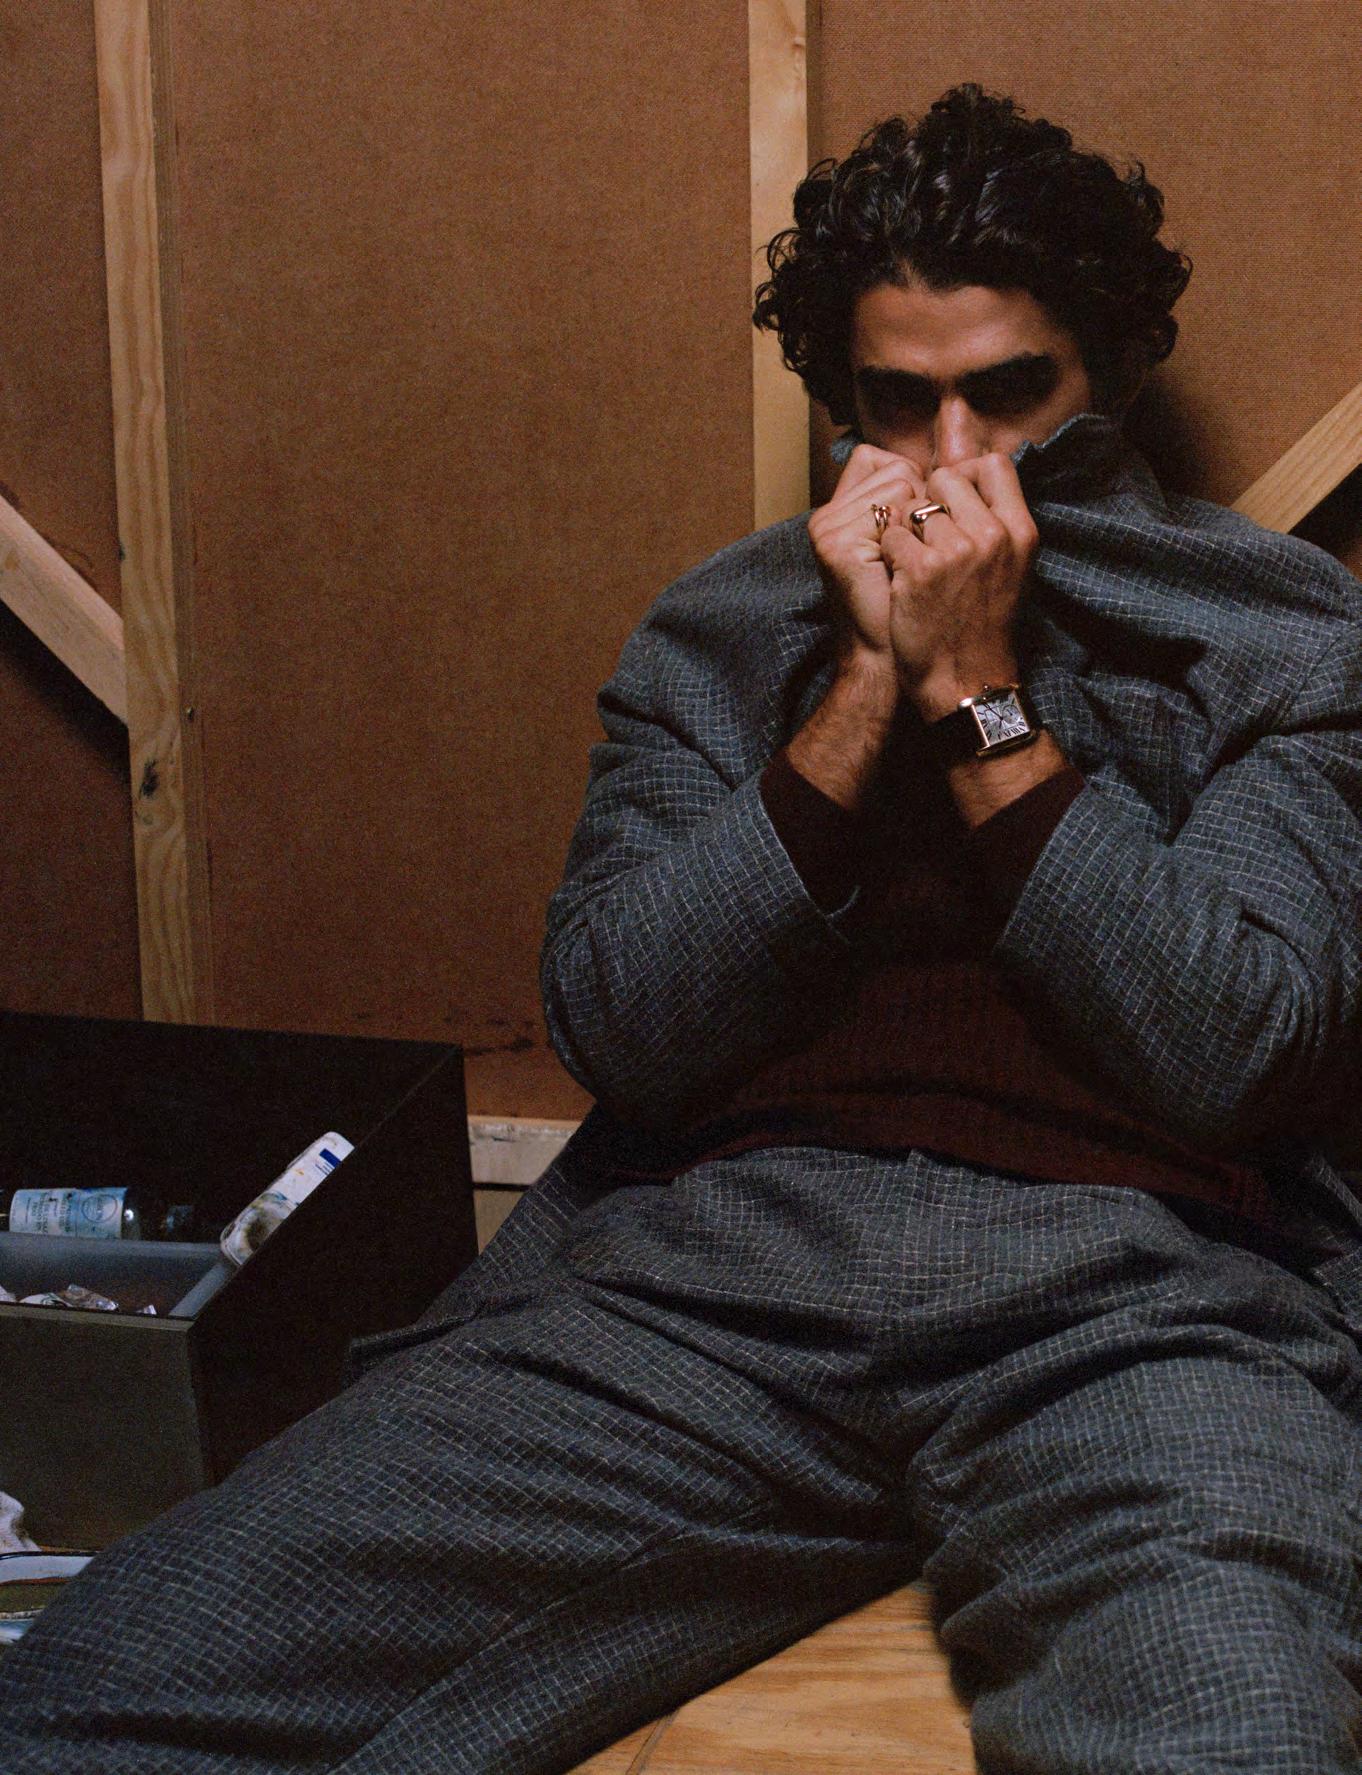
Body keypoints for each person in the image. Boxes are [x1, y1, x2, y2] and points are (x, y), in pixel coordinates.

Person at [4, 82, 1362, 1774]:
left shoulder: (1279, 639)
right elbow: (625, 1024)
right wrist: (860, 687)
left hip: (1140, 1303)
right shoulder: (721, 635)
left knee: (1226, 1735)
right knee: (107, 1686)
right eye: (899, 405)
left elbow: (1232, 1044)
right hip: (708, 1282)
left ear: (1110, 377)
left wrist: (978, 696)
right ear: (836, 404)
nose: (954, 460)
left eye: (1010, 396)